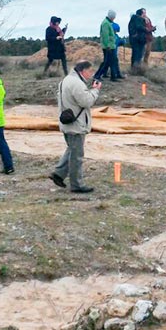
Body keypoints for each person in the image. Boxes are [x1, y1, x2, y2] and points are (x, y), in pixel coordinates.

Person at [51, 61, 101, 193]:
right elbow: (87, 101)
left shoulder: (66, 80)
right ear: (82, 71)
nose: (91, 74)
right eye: (89, 71)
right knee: (77, 156)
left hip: (68, 122)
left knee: (72, 150)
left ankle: (58, 174)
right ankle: (77, 185)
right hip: (76, 124)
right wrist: (95, 90)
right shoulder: (77, 83)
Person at [94, 10, 119, 82]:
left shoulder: (107, 23)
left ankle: (113, 77)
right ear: (112, 17)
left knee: (110, 61)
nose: (114, 19)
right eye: (114, 17)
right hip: (109, 47)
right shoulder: (105, 23)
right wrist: (108, 46)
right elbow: (105, 36)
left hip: (111, 46)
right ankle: (97, 76)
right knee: (107, 62)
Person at [128, 9, 147, 74]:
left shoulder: (132, 20)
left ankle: (133, 69)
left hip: (134, 39)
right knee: (138, 55)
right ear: (141, 13)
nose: (145, 14)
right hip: (139, 40)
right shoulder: (139, 19)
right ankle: (137, 70)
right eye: (144, 13)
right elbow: (139, 27)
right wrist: (147, 29)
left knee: (135, 54)